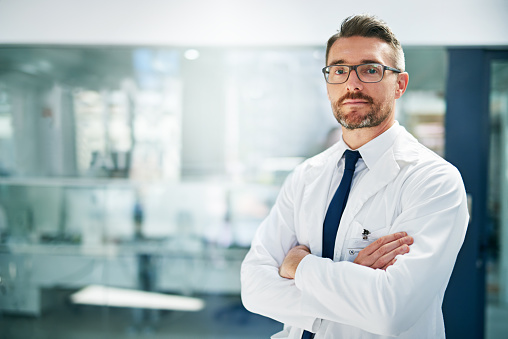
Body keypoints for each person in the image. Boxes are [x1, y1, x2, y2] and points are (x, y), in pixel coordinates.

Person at [240, 14, 469, 339]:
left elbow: (391, 310)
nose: (352, 84)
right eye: (339, 70)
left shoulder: (434, 181)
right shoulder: (306, 176)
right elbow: (254, 287)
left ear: (400, 84)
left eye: (370, 69)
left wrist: (298, 267)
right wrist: (351, 287)